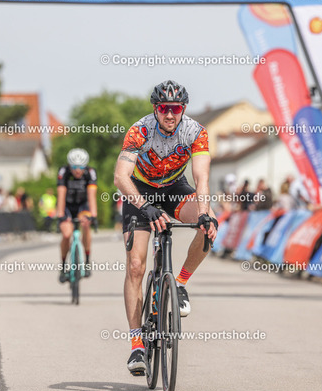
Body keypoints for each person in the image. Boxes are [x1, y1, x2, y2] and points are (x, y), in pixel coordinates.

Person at [114, 80, 218, 375]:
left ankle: (180, 283)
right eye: (163, 108)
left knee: (209, 225)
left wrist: (203, 214)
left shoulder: (195, 132)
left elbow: (202, 178)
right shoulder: (140, 130)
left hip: (174, 188)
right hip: (140, 191)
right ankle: (136, 345)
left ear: (183, 109)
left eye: (175, 108)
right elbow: (121, 177)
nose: (169, 114)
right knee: (136, 265)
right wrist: (144, 205)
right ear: (155, 109)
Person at [57, 148, 98, 282]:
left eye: (81, 167)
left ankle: (87, 261)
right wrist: (60, 215)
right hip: (67, 206)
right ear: (70, 165)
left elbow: (92, 196)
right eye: (74, 167)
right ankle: (63, 266)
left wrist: (93, 215)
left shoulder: (90, 172)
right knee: (66, 234)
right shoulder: (63, 171)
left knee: (86, 224)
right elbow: (61, 194)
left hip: (82, 206)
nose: (78, 170)